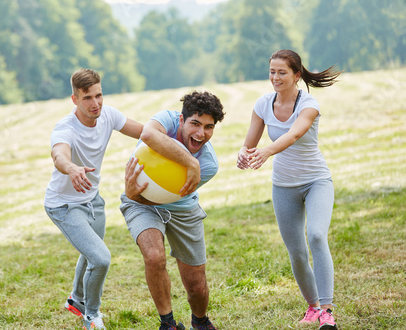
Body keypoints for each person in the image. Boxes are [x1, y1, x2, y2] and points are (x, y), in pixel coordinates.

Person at [236, 49, 341, 330]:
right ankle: (313, 306)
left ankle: (328, 311)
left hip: (316, 181)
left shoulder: (309, 104)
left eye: (282, 72)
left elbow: (294, 134)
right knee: (296, 251)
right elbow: (249, 142)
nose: (275, 77)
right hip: (283, 186)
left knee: (317, 236)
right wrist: (243, 155)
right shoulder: (262, 104)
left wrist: (267, 151)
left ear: (296, 75)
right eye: (272, 71)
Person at [44, 68, 143, 330]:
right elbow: (59, 155)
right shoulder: (65, 128)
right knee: (100, 258)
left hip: (93, 200)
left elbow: (144, 132)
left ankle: (76, 300)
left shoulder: (108, 115)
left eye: (99, 95)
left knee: (90, 255)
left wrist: (174, 133)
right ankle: (91, 314)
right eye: (87, 98)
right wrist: (71, 167)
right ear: (74, 99)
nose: (95, 103)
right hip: (64, 206)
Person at [120, 91, 225, 330]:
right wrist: (190, 162)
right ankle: (168, 323)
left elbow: (163, 198)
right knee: (155, 256)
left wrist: (133, 193)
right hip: (138, 201)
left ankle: (200, 320)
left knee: (197, 286)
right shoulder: (165, 120)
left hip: (181, 209)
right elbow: (147, 134)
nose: (201, 133)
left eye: (209, 127)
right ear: (181, 120)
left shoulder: (208, 165)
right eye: (195, 123)